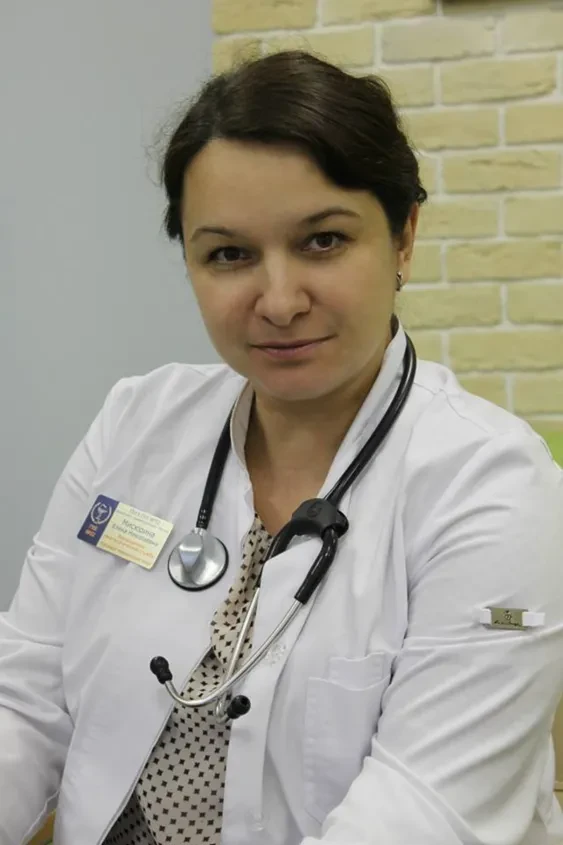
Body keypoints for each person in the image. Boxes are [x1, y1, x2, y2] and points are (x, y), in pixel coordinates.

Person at [1, 49, 563, 845]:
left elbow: (421, 812)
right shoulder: (134, 423)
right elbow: (24, 697)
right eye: (228, 254)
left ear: (403, 238)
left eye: (323, 241)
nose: (277, 300)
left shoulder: (491, 485)